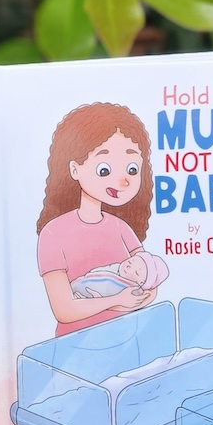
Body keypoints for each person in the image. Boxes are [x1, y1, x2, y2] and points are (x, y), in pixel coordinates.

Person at [35, 102, 158, 336]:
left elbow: (150, 281)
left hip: (128, 338)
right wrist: (116, 300)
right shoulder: (53, 234)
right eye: (104, 169)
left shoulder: (121, 228)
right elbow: (64, 310)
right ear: (74, 169)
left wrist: (140, 294)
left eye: (132, 169)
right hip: (77, 345)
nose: (123, 180)